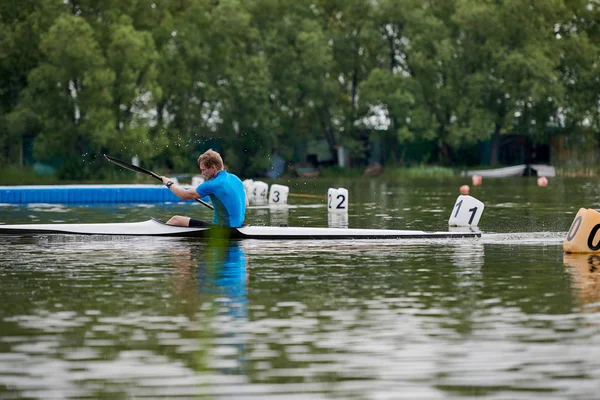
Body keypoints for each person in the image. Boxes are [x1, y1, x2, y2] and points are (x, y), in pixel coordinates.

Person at [160, 149, 246, 227]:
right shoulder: (236, 179)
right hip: (238, 226)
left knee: (176, 220)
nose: (202, 173)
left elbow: (184, 195)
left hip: (223, 229)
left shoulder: (212, 184)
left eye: (204, 170)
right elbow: (246, 203)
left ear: (213, 167)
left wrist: (168, 183)